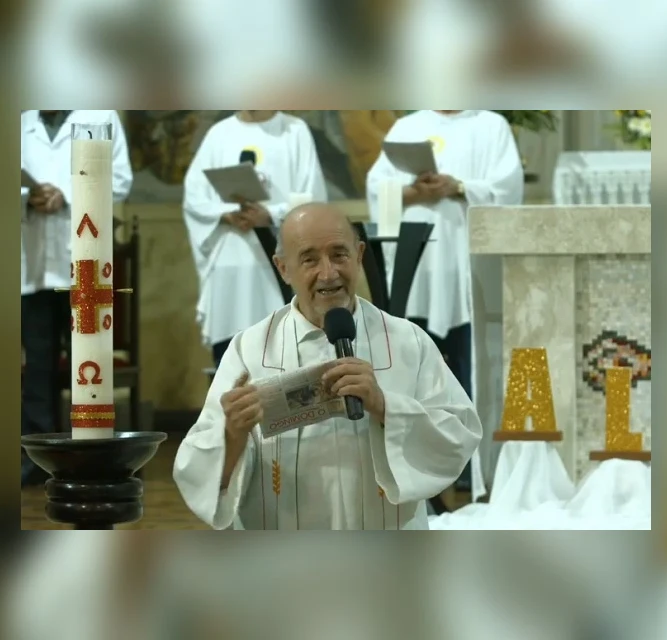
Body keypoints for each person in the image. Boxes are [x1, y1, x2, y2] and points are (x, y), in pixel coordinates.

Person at [173, 203, 481, 529]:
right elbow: (197, 471)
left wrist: (385, 406)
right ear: (283, 268)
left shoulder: (407, 341)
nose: (328, 273)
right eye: (309, 259)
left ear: (359, 255)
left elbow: (458, 435)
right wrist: (231, 435)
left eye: (339, 254)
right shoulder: (249, 350)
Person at [365, 110, 523, 490]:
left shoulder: (490, 125)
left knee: (469, 369)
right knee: (416, 368)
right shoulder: (408, 126)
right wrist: (415, 192)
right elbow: (376, 187)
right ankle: (418, 462)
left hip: (467, 266)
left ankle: (472, 468)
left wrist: (459, 186)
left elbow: (508, 189)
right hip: (417, 269)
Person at [20, 110, 132, 486]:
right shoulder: (22, 121)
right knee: (38, 365)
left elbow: (120, 180)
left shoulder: (99, 116)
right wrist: (29, 196)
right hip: (34, 265)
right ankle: (38, 458)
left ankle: (89, 450)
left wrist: (65, 194)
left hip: (84, 264)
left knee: (88, 361)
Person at [182, 110, 327, 368]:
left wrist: (269, 214)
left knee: (280, 356)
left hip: (277, 264)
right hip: (229, 263)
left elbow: (313, 197)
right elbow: (194, 197)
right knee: (229, 364)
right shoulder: (219, 134)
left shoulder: (294, 131)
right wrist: (226, 213)